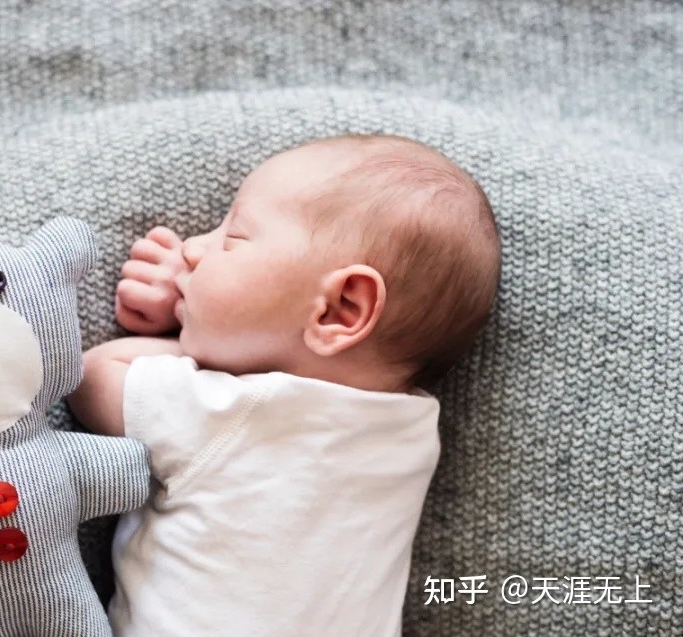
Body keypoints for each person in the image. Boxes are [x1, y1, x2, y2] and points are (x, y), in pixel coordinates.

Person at [66, 134, 502, 636]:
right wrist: (204, 308)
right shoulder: (411, 431)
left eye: (233, 239)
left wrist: (181, 325)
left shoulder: (232, 410)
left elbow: (93, 376)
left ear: (341, 310)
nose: (191, 248)